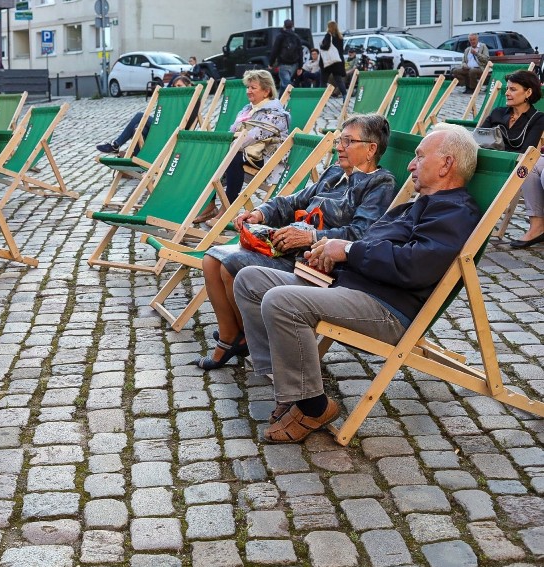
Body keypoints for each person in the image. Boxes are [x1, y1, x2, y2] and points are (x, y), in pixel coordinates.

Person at [232, 124, 482, 442]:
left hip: (386, 307)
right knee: (251, 279)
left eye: (419, 156)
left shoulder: (454, 212)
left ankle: (312, 406)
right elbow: (374, 243)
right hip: (353, 286)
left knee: (282, 301)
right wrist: (332, 255)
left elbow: (414, 267)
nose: (410, 164)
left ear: (446, 164)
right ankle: (287, 387)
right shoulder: (422, 205)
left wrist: (348, 250)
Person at [195, 113, 396, 369]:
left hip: (317, 263)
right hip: (291, 247)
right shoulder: (335, 173)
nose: (339, 147)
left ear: (371, 149)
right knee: (211, 259)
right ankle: (232, 336)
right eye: (339, 140)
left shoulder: (380, 183)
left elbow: (361, 234)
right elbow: (294, 201)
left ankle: (245, 340)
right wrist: (260, 212)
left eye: (347, 141)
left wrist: (310, 236)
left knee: (231, 266)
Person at [197, 69, 290, 226]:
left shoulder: (276, 112)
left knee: (233, 158)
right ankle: (210, 204)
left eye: (253, 87)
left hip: (267, 159)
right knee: (214, 156)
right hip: (245, 153)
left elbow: (254, 135)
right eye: (248, 87)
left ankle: (228, 209)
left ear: (266, 90)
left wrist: (230, 145)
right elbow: (233, 130)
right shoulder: (247, 109)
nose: (248, 91)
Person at [481, 70, 544, 247]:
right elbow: (478, 139)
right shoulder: (498, 113)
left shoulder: (537, 118)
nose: (507, 93)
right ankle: (538, 227)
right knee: (531, 167)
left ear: (528, 93)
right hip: (494, 164)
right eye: (507, 89)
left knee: (531, 167)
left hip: (519, 164)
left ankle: (537, 228)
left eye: (513, 89)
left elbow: (527, 151)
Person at [95, 75, 196, 154]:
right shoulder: (174, 100)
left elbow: (188, 122)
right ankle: (138, 160)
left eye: (179, 86)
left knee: (140, 115)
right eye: (174, 87)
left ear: (189, 86)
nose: (176, 89)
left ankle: (116, 145)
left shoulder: (193, 100)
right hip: (164, 128)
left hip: (173, 132)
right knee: (138, 127)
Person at [270, 19, 304, 91]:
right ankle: (280, 101)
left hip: (283, 63)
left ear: (284, 26)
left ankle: (294, 95)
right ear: (292, 26)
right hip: (295, 64)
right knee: (283, 83)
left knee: (286, 84)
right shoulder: (296, 37)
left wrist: (271, 63)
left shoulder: (280, 36)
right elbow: (300, 52)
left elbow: (275, 50)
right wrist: (300, 67)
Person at [320, 21, 347, 98]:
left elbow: (325, 47)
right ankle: (345, 96)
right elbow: (341, 50)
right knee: (339, 80)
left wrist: (321, 45)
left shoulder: (328, 35)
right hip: (337, 62)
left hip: (328, 62)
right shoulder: (340, 37)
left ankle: (322, 100)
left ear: (329, 27)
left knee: (323, 81)